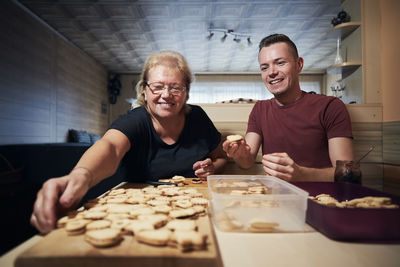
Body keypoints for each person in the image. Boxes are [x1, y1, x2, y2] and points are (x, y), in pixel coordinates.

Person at [31, 50, 227, 233]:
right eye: (157, 86)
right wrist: (82, 175)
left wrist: (212, 168)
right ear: (144, 91)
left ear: (186, 93)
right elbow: (111, 147)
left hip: (198, 207)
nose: (166, 95)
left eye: (175, 87)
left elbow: (220, 157)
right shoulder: (136, 120)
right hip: (142, 214)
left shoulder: (198, 117)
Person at [223, 33, 354, 182]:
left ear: (299, 64)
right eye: (264, 67)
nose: (271, 72)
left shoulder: (330, 107)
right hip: (276, 200)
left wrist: (301, 174)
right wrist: (239, 154)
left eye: (280, 63)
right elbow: (247, 162)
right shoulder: (260, 109)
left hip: (321, 199)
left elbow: (347, 173)